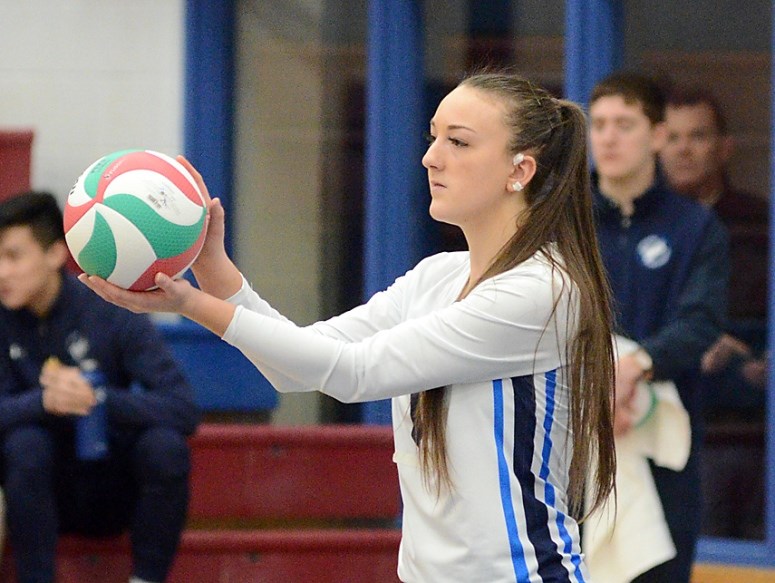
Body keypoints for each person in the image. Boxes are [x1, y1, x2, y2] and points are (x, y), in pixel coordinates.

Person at [81, 71, 617, 582]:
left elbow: (349, 373)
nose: (431, 158)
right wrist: (215, 273)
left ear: (519, 170)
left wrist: (191, 305)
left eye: (459, 142)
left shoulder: (542, 291)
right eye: (433, 138)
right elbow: (302, 362)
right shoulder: (436, 276)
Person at [0, 191, 200, 583]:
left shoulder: (107, 309)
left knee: (165, 447)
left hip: (110, 485)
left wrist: (98, 399)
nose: (1, 272)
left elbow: (182, 407)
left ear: (56, 255)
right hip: (36, 488)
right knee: (25, 444)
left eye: (13, 256)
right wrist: (45, 402)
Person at [587, 72, 729, 582]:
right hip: (573, 451)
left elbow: (702, 321)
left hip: (662, 452)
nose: (607, 137)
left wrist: (637, 365)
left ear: (658, 136)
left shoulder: (695, 229)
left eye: (624, 124)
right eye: (599, 124)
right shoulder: (563, 221)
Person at [660, 85, 769, 539]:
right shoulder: (645, 226)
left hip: (755, 435)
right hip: (669, 434)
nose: (684, 149)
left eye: (697, 136)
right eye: (673, 137)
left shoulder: (759, 222)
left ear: (724, 148)